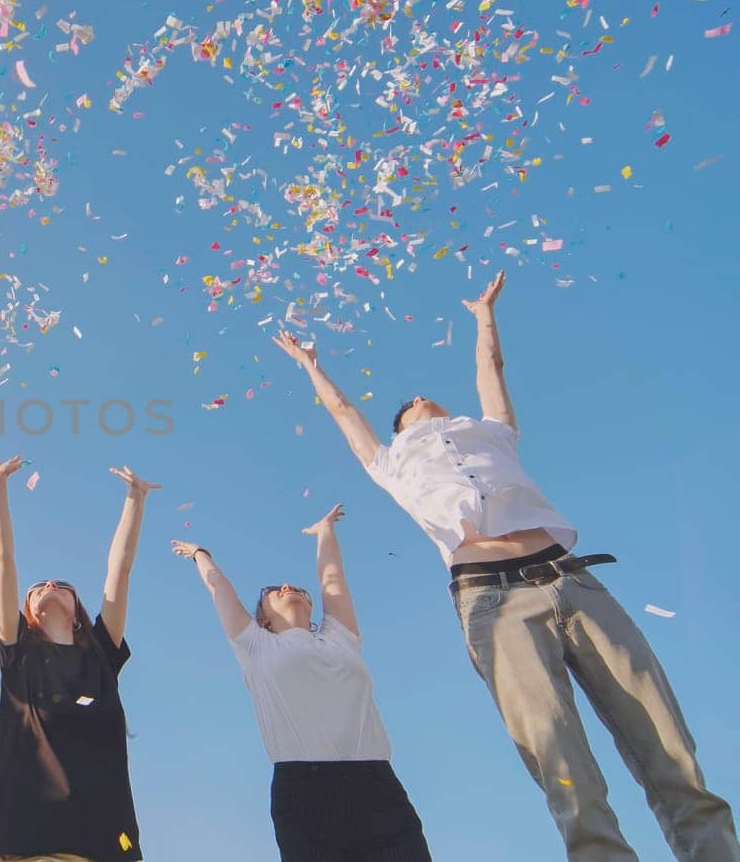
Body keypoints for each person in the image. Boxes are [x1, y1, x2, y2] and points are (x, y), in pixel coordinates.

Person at [273, 271, 739, 861]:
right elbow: (342, 411)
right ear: (398, 431)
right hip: (493, 602)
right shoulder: (390, 463)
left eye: (424, 398)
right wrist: (310, 364)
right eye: (406, 407)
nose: (416, 399)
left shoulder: (490, 433)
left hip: (573, 579)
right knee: (564, 768)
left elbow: (491, 372)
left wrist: (483, 316)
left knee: (669, 751)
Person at [173, 504, 431, 861]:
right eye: (272, 590)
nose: (287, 586)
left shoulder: (340, 637)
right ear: (261, 619)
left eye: (296, 587)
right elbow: (219, 588)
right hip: (304, 791)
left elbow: (333, 580)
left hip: (376, 784)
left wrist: (325, 531)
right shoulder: (256, 645)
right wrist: (201, 555)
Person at [0, 458, 157, 862]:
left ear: (78, 608)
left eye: (62, 584)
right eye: (40, 585)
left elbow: (121, 570)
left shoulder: (100, 655)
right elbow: (3, 561)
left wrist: (136, 498)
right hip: (33, 842)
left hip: (109, 844)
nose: (50, 585)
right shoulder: (18, 655)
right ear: (27, 609)